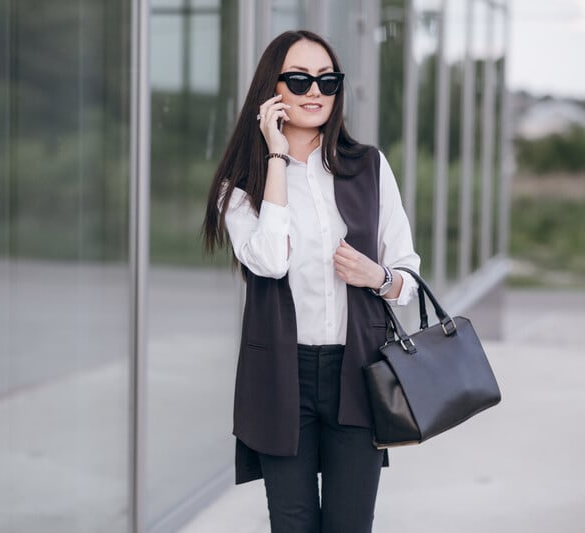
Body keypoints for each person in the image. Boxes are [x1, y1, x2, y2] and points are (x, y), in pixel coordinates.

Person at [202, 30, 420, 533]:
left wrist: (378, 276)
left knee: (349, 525)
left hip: (359, 370)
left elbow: (407, 274)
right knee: (293, 524)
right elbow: (269, 262)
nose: (315, 91)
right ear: (272, 90)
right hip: (281, 374)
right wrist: (276, 156)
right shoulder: (239, 187)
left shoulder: (368, 166)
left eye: (327, 80)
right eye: (299, 79)